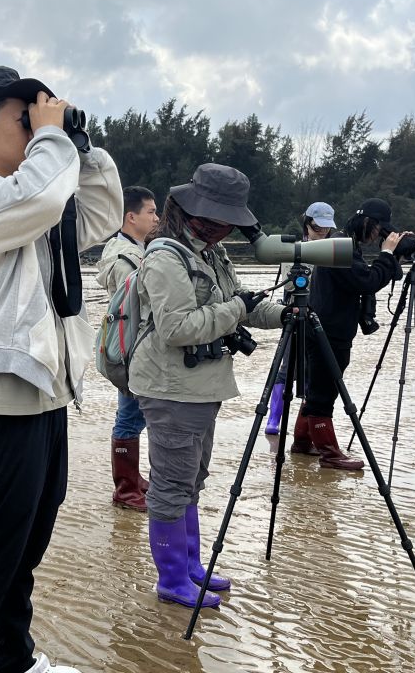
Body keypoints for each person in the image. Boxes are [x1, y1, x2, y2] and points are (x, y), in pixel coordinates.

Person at [0, 65, 122, 673]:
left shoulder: (26, 200)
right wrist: (54, 142)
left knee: (23, 551)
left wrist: (80, 146)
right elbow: (43, 196)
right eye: (25, 118)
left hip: (44, 395)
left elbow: (98, 217)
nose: (39, 126)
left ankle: (17, 659)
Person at [129, 163, 287, 609]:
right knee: (171, 485)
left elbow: (241, 307)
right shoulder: (165, 256)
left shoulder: (212, 255)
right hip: (170, 388)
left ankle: (191, 567)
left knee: (192, 479)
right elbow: (177, 328)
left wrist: (283, 313)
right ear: (193, 212)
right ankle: (172, 579)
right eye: (218, 221)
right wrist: (237, 307)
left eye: (228, 223)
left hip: (201, 387)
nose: (224, 231)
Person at [294, 198, 405, 470]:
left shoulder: (343, 244)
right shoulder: (341, 248)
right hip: (328, 330)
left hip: (326, 326)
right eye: (379, 230)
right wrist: (388, 255)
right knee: (325, 392)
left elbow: (364, 278)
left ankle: (302, 443)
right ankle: (330, 455)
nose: (378, 236)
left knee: (317, 387)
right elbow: (366, 281)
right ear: (368, 223)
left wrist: (391, 257)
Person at [95, 185, 159, 511]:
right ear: (131, 217)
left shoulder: (133, 248)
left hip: (130, 344)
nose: (157, 218)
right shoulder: (125, 257)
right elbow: (138, 304)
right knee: (130, 416)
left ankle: (132, 480)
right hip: (131, 346)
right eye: (151, 212)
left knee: (135, 414)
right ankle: (125, 489)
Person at [265, 201, 336, 435]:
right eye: (318, 227)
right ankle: (274, 419)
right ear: (307, 223)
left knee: (314, 373)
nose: (323, 232)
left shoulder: (335, 251)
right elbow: (290, 285)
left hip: (321, 318)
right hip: (295, 315)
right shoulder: (293, 250)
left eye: (327, 228)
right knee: (285, 370)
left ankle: (305, 427)